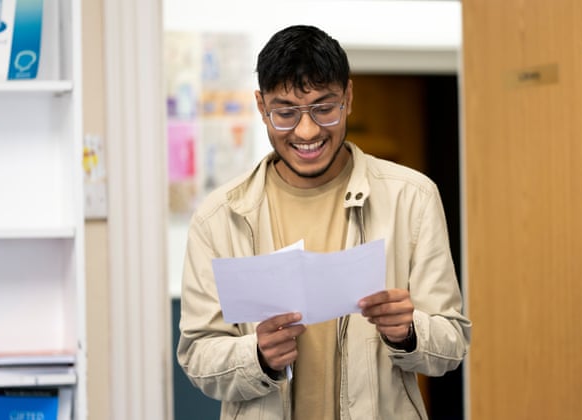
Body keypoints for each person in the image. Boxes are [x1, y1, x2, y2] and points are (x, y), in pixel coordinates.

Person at [177, 24, 471, 420]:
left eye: (323, 107)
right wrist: (257, 356)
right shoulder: (219, 217)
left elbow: (451, 345)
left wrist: (410, 331)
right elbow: (197, 357)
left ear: (348, 98)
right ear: (261, 106)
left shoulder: (412, 198)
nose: (307, 131)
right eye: (285, 112)